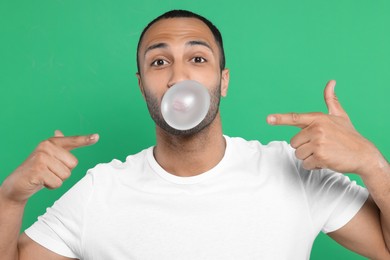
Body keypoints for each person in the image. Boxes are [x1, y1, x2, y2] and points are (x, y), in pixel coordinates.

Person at [0, 9, 389, 260]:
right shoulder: (100, 191)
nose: (178, 76)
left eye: (197, 59)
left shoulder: (296, 173)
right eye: (159, 61)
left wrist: (372, 164)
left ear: (223, 82)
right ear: (142, 85)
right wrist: (10, 199)